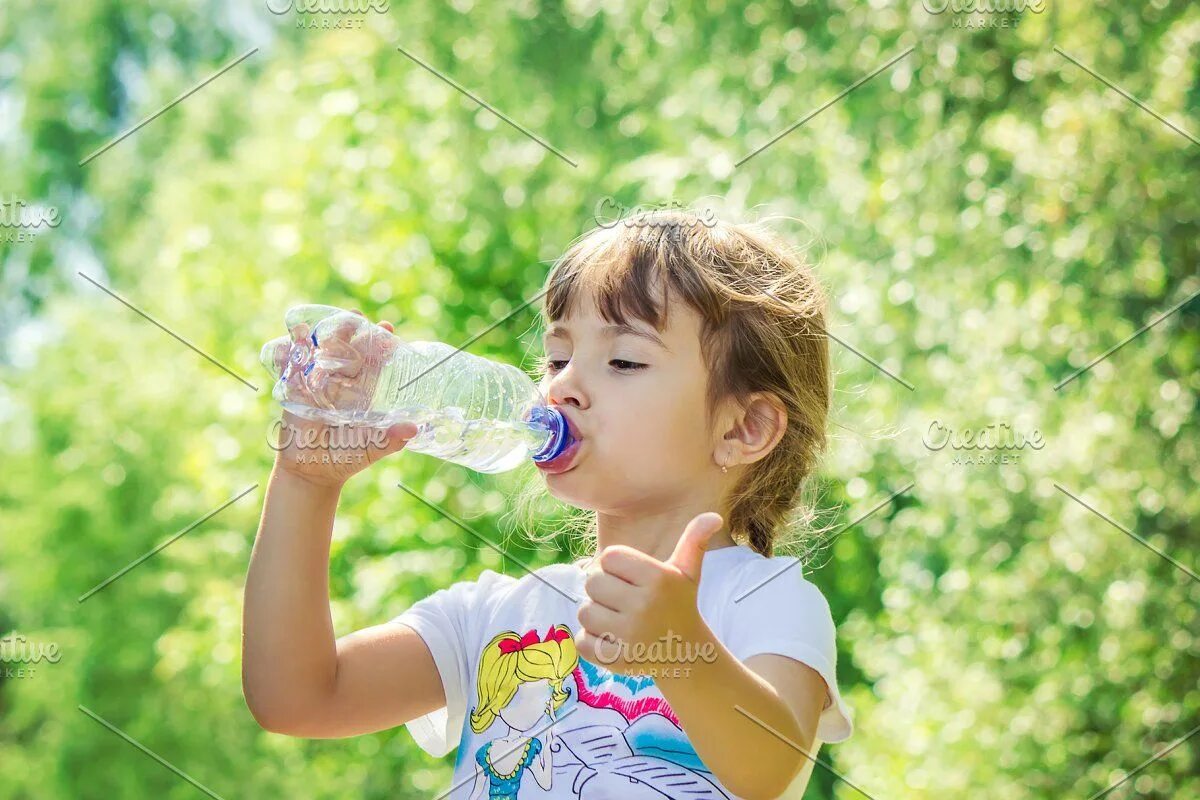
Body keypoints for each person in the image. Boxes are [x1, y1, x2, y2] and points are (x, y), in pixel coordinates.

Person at [242, 209, 855, 799]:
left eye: (623, 360)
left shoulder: (764, 599)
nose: (561, 385)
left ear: (742, 429)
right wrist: (306, 485)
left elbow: (770, 766)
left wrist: (679, 646)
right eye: (558, 357)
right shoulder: (498, 614)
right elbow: (297, 697)